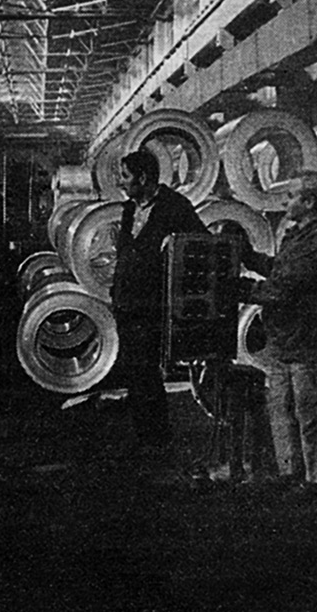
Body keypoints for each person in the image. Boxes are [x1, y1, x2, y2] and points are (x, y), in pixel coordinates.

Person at [238, 170, 317, 491]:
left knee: (309, 413)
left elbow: (284, 287)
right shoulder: (298, 234)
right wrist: (249, 257)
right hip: (286, 338)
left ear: (308, 202)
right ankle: (289, 471)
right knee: (281, 408)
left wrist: (240, 289)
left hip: (308, 340)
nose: (285, 202)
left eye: (290, 196)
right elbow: (280, 269)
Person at [111, 149, 206, 454]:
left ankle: (157, 438)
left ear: (142, 178)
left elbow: (201, 244)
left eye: (125, 176)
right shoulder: (129, 209)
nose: (120, 181)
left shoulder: (175, 206)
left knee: (147, 372)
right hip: (126, 303)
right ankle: (145, 436)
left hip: (153, 305)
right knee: (134, 371)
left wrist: (174, 245)